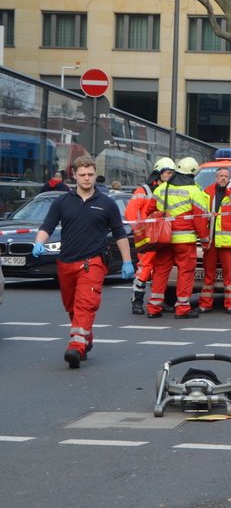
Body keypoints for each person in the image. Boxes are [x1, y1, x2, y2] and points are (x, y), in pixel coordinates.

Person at [32, 155, 135, 368]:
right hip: (67, 262)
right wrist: (38, 243)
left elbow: (120, 233)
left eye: (90, 174)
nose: (87, 178)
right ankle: (85, 337)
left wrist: (127, 261)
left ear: (95, 174)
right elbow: (47, 226)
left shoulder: (106, 204)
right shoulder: (62, 202)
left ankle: (76, 346)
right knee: (72, 306)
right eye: (83, 175)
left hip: (93, 262)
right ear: (74, 176)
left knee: (85, 304)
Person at [144, 156, 211, 319]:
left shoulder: (161, 188)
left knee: (160, 271)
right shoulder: (194, 190)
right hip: (184, 240)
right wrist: (205, 240)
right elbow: (200, 219)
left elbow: (149, 211)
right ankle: (182, 308)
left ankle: (154, 307)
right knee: (185, 272)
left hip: (163, 239)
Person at [125, 158, 176, 314]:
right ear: (158, 173)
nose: (170, 176)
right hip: (148, 238)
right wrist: (139, 230)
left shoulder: (171, 190)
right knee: (145, 268)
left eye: (172, 173)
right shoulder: (144, 190)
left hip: (164, 236)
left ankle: (158, 301)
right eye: (168, 173)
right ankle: (137, 301)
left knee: (161, 270)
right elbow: (130, 212)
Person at [199, 167, 231, 314]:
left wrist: (230, 190)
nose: (223, 178)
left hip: (227, 241)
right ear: (216, 178)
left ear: (229, 178)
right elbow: (200, 212)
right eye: (221, 176)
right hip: (211, 240)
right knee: (209, 274)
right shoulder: (207, 192)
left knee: (229, 275)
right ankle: (205, 304)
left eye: (226, 176)